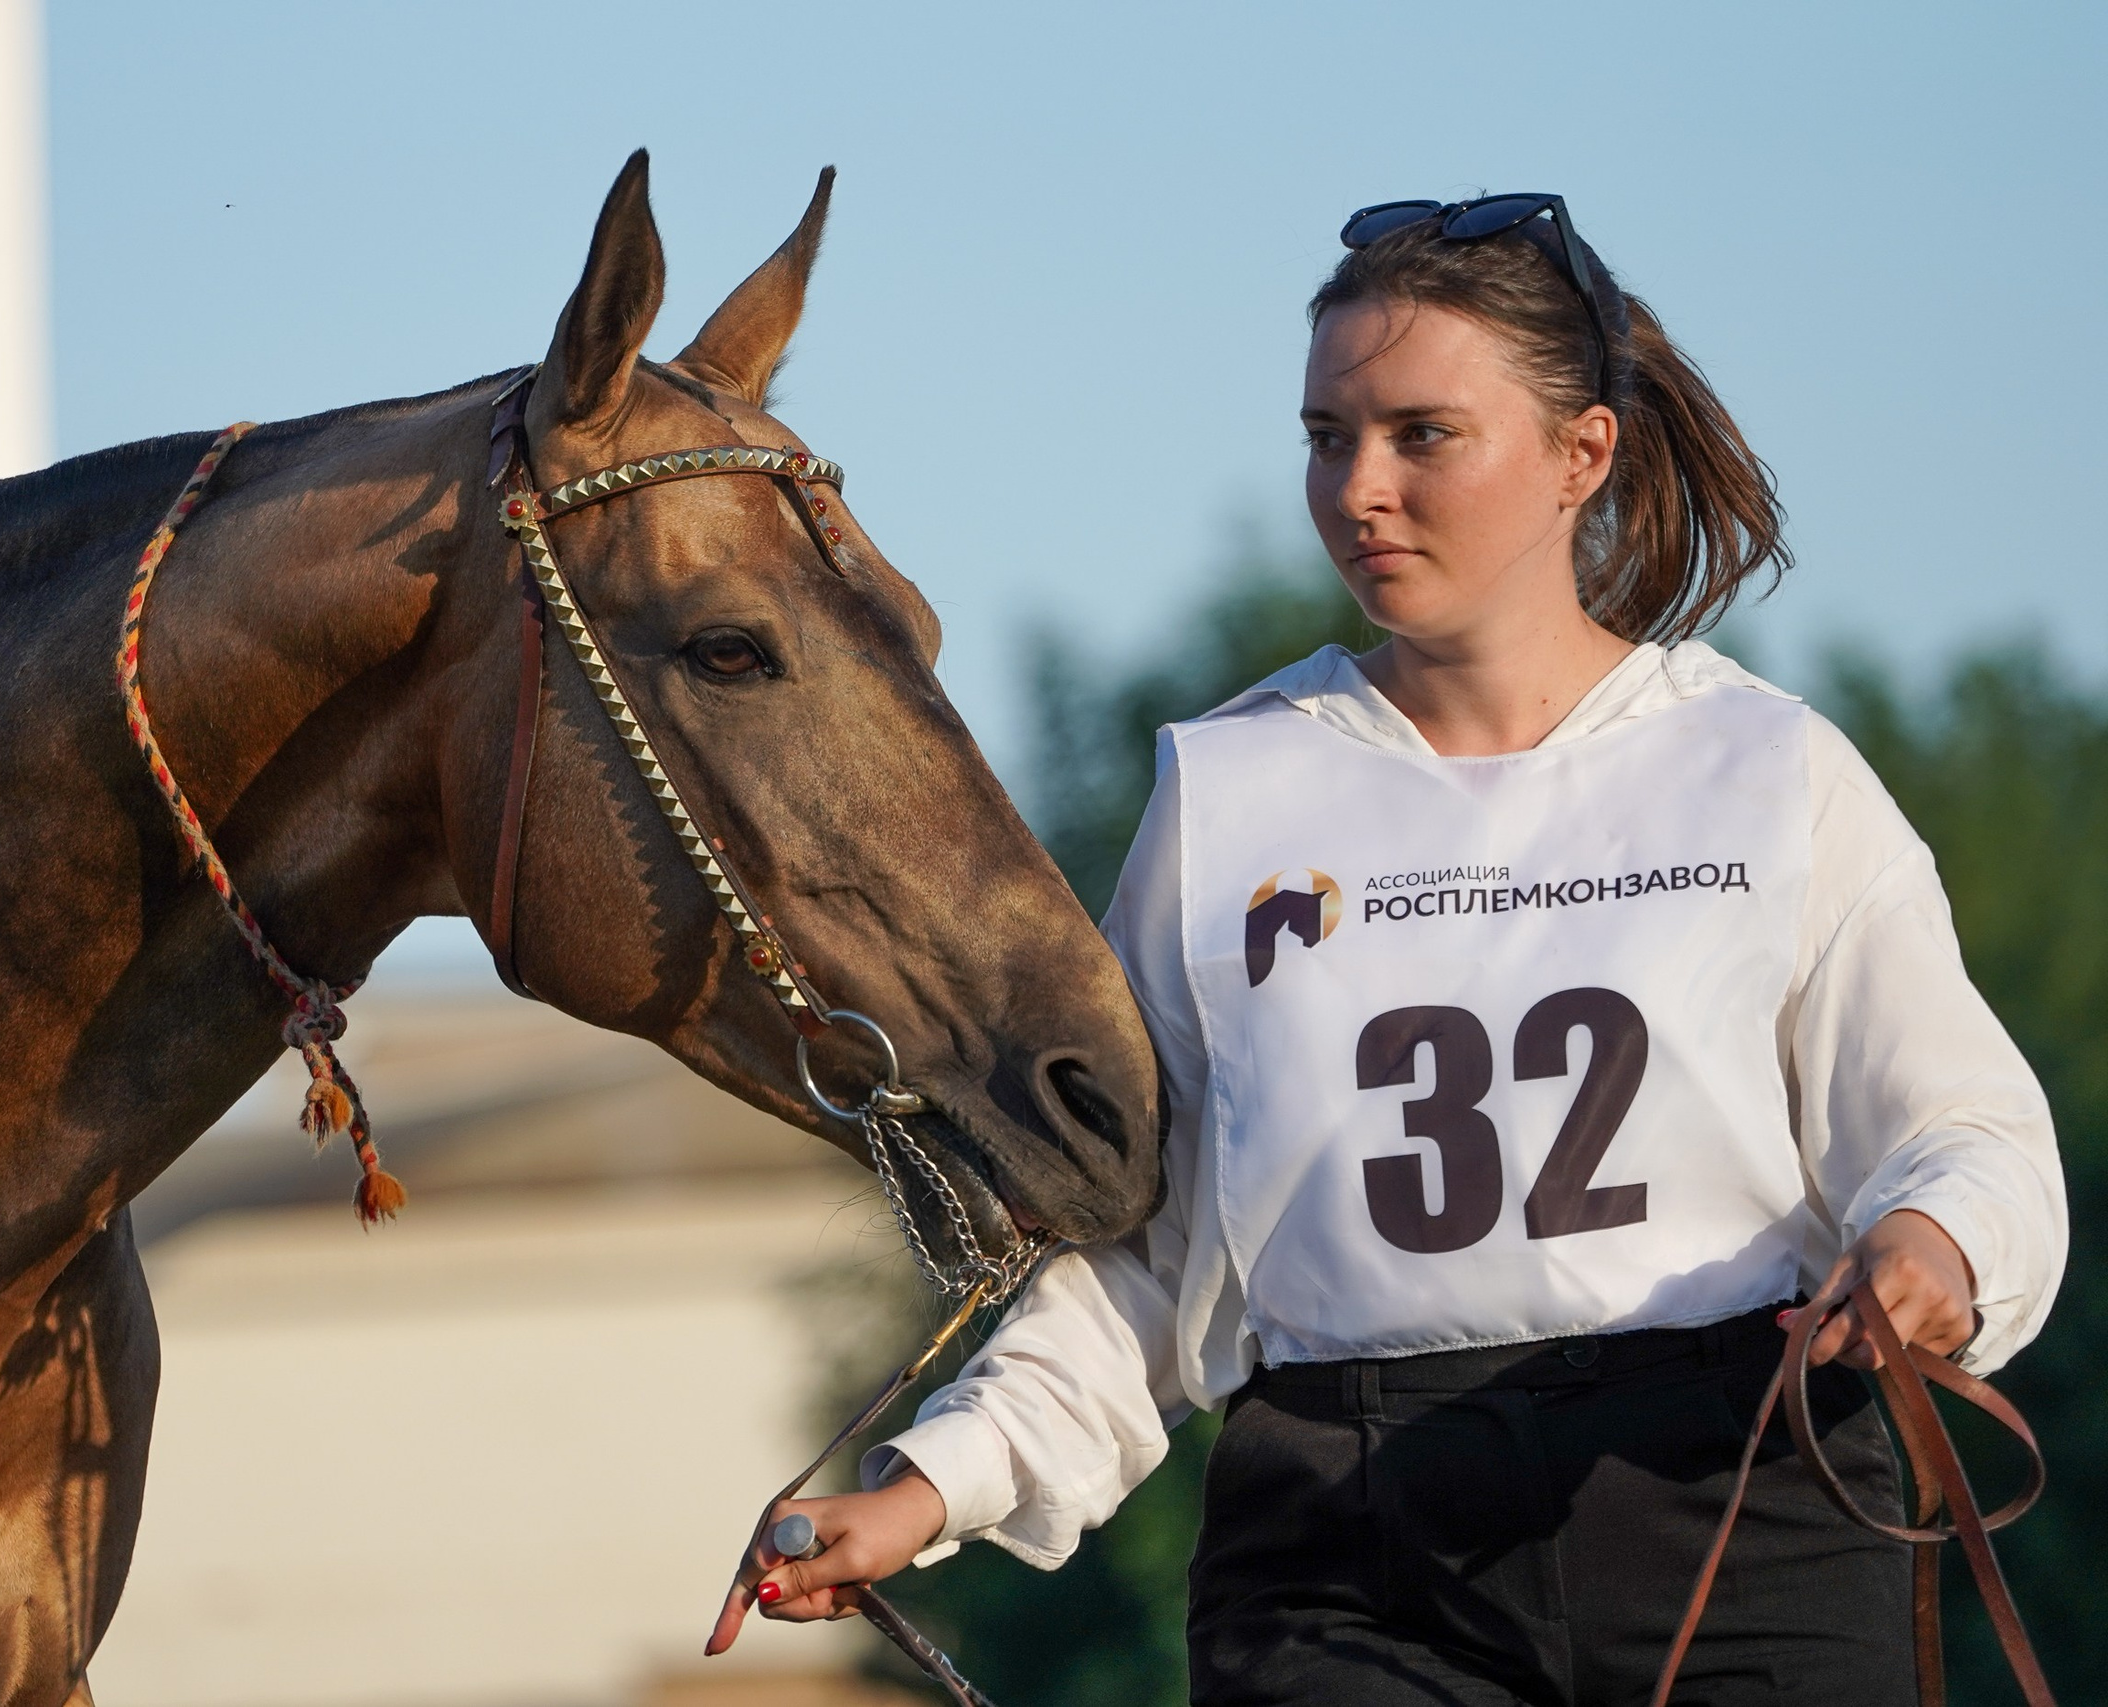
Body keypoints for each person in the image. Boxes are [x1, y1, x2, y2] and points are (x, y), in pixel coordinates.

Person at [705, 195, 2067, 1704]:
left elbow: (1967, 1132)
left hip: (1743, 1503)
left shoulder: (1770, 769)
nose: (1360, 487)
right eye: (1325, 435)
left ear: (1582, 454)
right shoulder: (1227, 789)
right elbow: (1153, 1249)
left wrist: (1937, 1245)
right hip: (1346, 1554)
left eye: (1423, 434)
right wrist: (933, 1484)